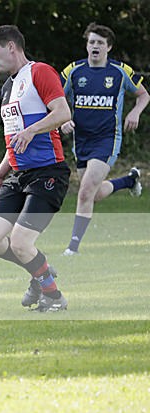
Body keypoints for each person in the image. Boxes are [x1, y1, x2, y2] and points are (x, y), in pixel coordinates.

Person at [0, 25, 71, 312]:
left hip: (48, 173)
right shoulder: (8, 87)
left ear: (11, 47)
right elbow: (14, 142)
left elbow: (63, 113)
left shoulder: (40, 72)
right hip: (18, 176)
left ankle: (54, 297)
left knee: (20, 241)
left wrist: (32, 130)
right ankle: (39, 271)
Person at [59, 22, 148, 256]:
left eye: (100, 42)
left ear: (108, 47)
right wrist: (61, 120)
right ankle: (129, 181)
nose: (95, 46)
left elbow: (143, 95)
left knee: (86, 191)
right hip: (82, 142)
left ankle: (73, 248)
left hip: (107, 140)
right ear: (86, 45)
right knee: (94, 194)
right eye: (91, 42)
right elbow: (54, 98)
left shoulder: (120, 71)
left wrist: (135, 112)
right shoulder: (73, 71)